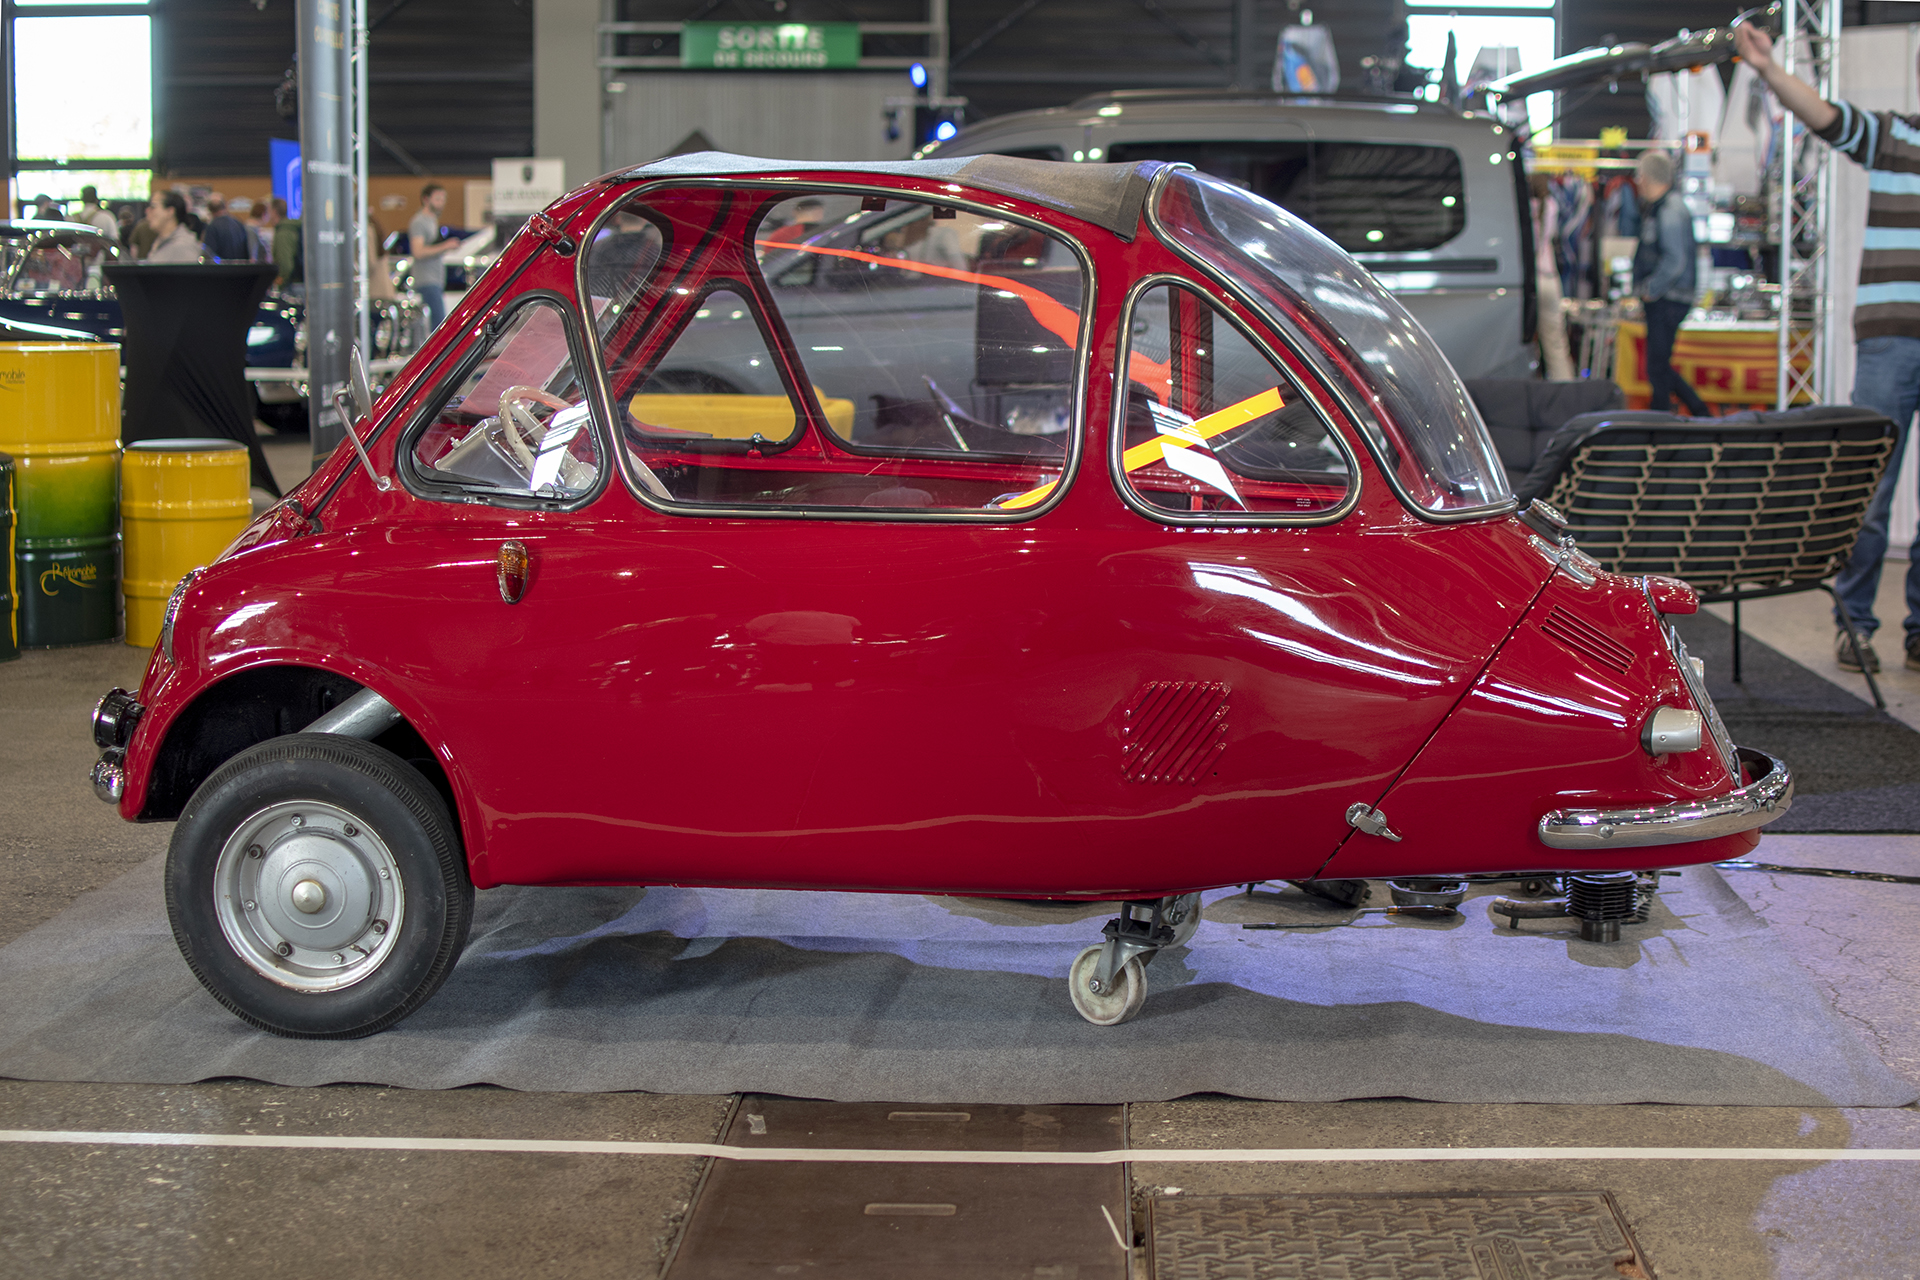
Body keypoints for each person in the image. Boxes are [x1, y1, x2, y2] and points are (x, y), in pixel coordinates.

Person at [1737, 21, 1920, 674]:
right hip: (1890, 338)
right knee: (1872, 487)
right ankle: (1855, 624)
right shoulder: (1898, 136)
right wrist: (1767, 68)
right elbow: (1824, 116)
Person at [1631, 149, 1713, 419]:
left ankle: (1681, 415)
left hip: (1668, 299)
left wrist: (1650, 290)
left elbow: (1674, 260)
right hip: (1668, 298)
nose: (1637, 181)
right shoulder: (1665, 207)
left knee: (1657, 366)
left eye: (1639, 175)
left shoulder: (1669, 210)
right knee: (1658, 365)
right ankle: (1667, 416)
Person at [409, 183, 463, 331]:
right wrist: (445, 246)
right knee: (438, 326)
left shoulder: (432, 221)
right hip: (427, 281)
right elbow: (418, 251)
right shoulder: (419, 222)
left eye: (443, 199)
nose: (441, 203)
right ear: (426, 199)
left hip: (435, 280)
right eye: (438, 199)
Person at [143, 191, 203, 263]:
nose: (147, 211)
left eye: (153, 207)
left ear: (170, 211)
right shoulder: (162, 242)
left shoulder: (183, 247)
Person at [200, 193, 251, 262]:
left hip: (221, 270)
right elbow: (247, 252)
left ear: (209, 209)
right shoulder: (238, 223)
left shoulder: (212, 227)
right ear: (225, 206)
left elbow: (209, 255)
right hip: (240, 269)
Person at [271, 198, 303, 294]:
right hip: (300, 283)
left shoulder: (283, 233)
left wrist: (279, 283)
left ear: (274, 211)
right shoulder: (293, 228)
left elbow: (286, 265)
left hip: (291, 287)